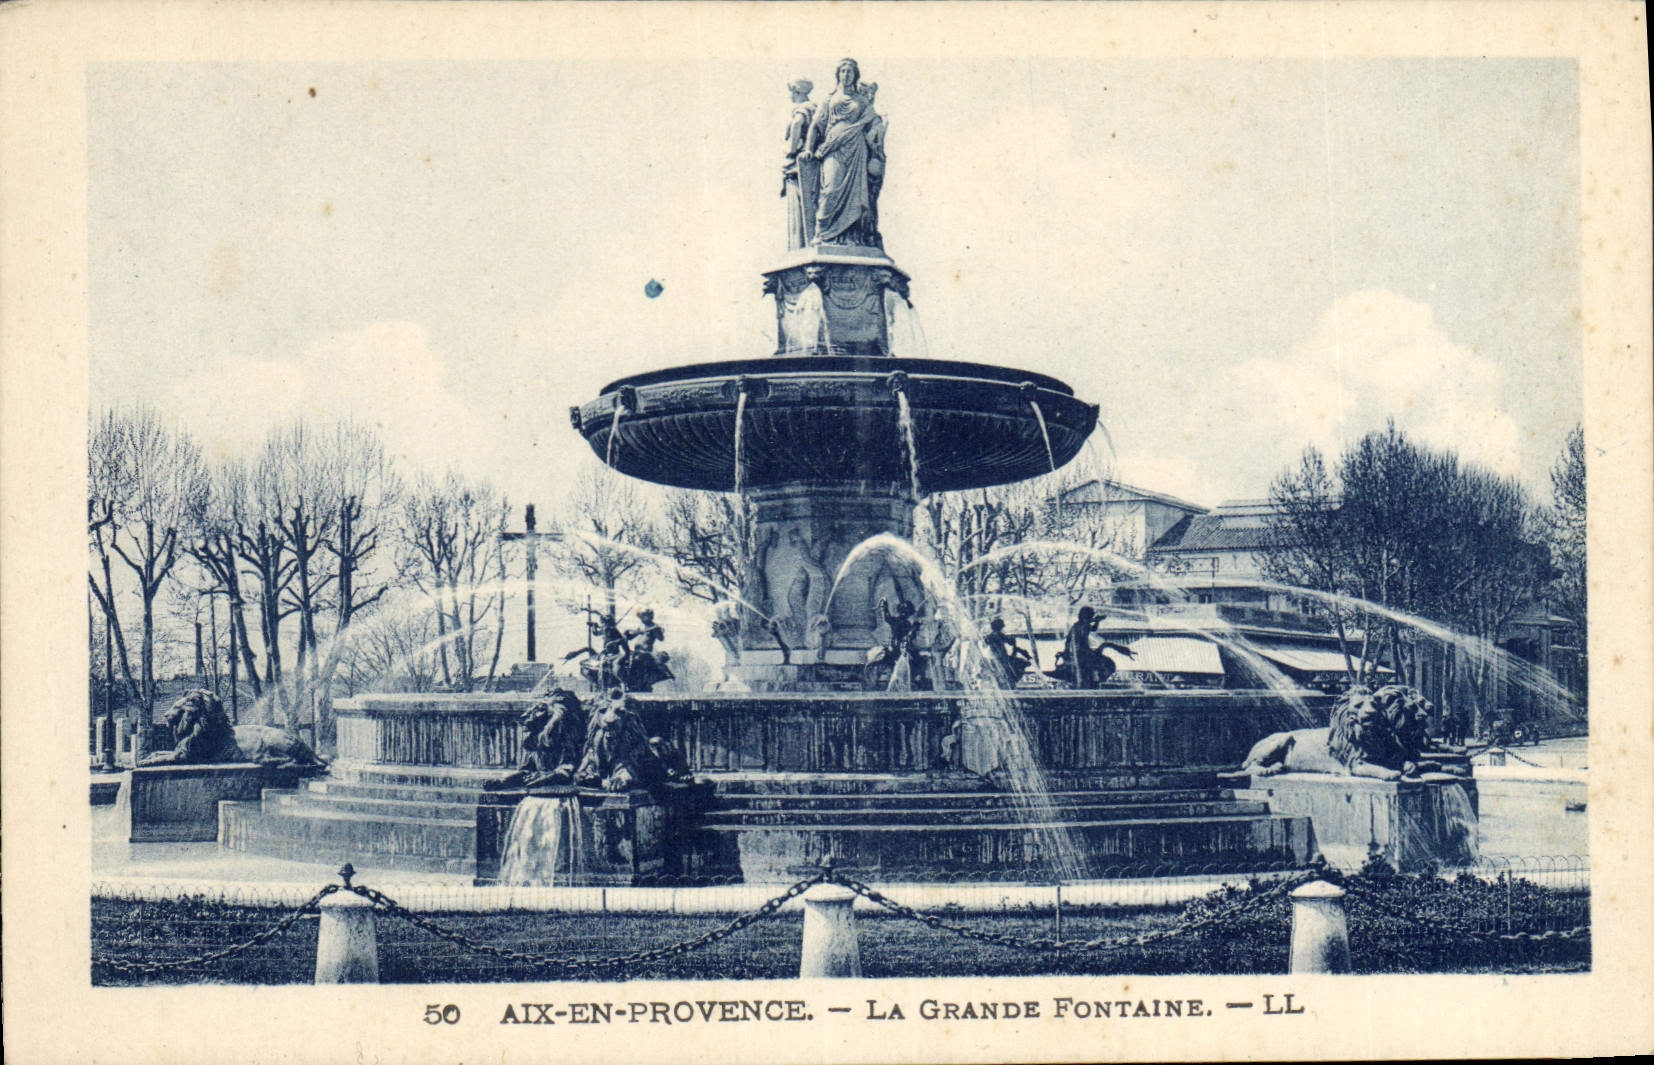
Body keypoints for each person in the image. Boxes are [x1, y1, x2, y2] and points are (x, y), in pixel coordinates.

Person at [806, 58, 881, 246]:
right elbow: (816, 125)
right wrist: (808, 148)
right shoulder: (829, 99)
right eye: (843, 71)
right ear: (838, 74)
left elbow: (874, 123)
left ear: (855, 76)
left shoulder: (862, 101)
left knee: (855, 198)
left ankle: (850, 237)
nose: (846, 75)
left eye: (850, 72)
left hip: (856, 149)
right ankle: (821, 233)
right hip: (834, 146)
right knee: (830, 189)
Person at [781, 79, 819, 250]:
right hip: (811, 164)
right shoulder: (815, 108)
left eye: (793, 92)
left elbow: (797, 124)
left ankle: (800, 246)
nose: (791, 95)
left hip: (798, 164)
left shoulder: (803, 108)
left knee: (799, 205)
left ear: (799, 92)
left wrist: (791, 150)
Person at [1063, 606, 1136, 688]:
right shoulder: (1079, 626)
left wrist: (1097, 621)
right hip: (1083, 653)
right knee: (1099, 657)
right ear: (1085, 616)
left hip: (1086, 651)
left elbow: (1093, 629)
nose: (1092, 618)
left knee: (1105, 646)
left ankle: (1094, 678)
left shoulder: (1082, 625)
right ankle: (1093, 678)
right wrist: (1067, 653)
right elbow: (1069, 640)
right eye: (1091, 616)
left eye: (1092, 616)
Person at [982, 616, 1032, 689]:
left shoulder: (990, 635)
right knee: (1022, 663)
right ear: (1000, 626)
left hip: (996, 657)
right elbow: (1010, 642)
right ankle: (1013, 681)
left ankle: (1010, 681)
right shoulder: (998, 634)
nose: (1004, 627)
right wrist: (1012, 639)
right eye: (1003, 625)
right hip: (1001, 658)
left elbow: (985, 643)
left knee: (1016, 665)